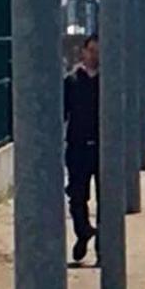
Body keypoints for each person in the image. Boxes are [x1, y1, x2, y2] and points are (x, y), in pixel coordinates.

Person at [64, 34, 100, 263]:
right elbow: (62, 112)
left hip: (103, 148)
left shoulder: (108, 81)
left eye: (98, 52)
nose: (95, 56)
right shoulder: (72, 81)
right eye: (92, 51)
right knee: (77, 196)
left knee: (107, 198)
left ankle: (104, 248)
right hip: (77, 147)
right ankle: (83, 231)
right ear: (83, 52)